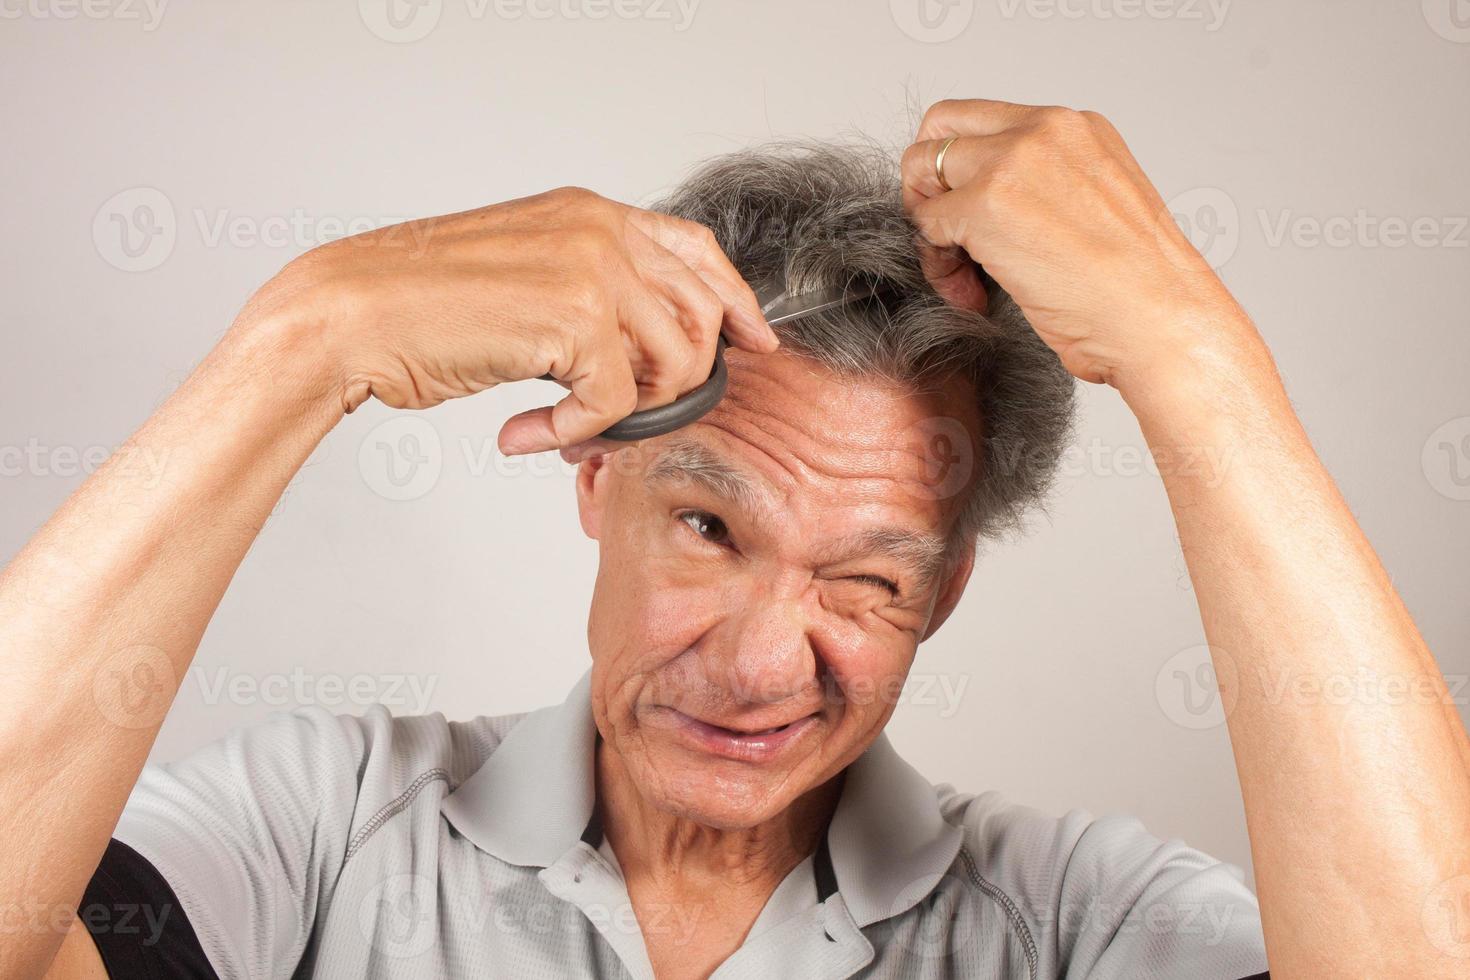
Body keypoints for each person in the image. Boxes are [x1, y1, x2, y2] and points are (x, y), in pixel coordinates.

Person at [9, 99, 1468, 980]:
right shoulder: (323, 824)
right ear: (594, 483)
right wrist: (304, 337)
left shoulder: (1068, 921)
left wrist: (1195, 358)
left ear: (943, 597)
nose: (765, 662)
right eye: (709, 526)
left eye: (866, 580)